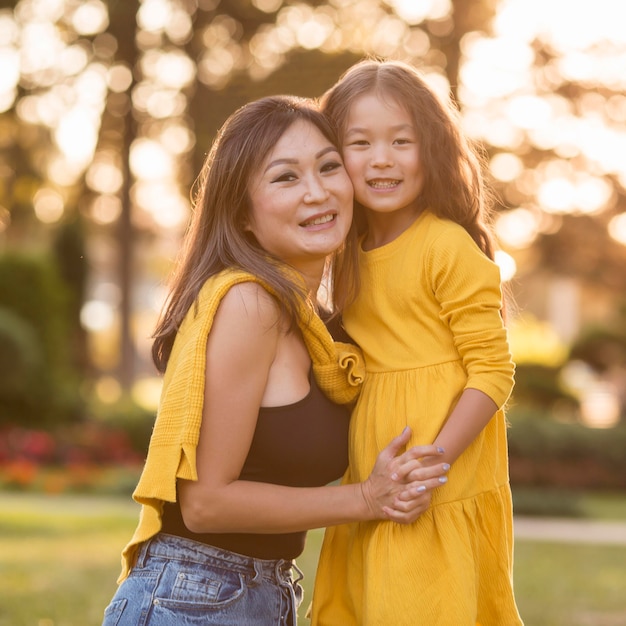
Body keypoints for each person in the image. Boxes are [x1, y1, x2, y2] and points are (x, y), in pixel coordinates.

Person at [101, 95, 450, 626]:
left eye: (329, 167)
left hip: (256, 592)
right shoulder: (247, 303)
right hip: (196, 596)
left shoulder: (320, 327)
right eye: (285, 178)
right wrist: (367, 498)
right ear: (242, 213)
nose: (318, 191)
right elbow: (205, 503)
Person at [310, 60, 523, 625]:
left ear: (431, 150)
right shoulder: (342, 252)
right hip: (375, 466)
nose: (381, 158)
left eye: (401, 141)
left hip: (437, 470)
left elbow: (493, 373)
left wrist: (431, 467)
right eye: (360, 142)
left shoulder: (446, 247)